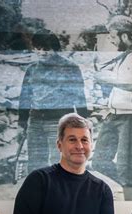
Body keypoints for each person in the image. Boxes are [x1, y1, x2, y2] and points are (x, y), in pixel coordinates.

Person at [93, 15, 132, 200]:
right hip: (114, 115)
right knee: (99, 161)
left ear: (125, 35)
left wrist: (107, 78)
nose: (111, 40)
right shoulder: (123, 57)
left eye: (113, 35)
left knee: (125, 167)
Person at [19, 32, 87, 174]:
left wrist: (84, 122)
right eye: (38, 48)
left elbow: (79, 96)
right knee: (35, 162)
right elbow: (25, 97)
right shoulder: (32, 69)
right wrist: (22, 123)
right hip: (35, 121)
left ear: (55, 49)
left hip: (59, 122)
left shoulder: (70, 68)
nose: (42, 52)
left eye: (46, 49)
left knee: (60, 162)